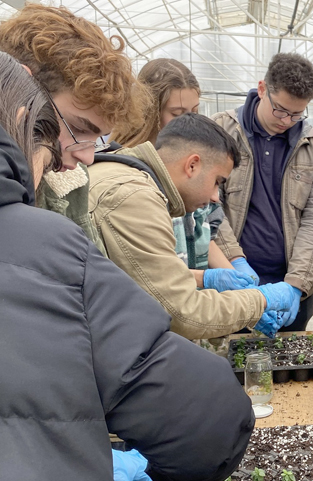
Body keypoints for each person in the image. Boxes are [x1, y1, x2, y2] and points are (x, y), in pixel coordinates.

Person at [0, 39, 254, 481]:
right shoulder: (42, 233)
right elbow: (197, 404)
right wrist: (253, 300)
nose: (81, 155)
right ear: (25, 111)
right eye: (70, 131)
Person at [87, 112, 299, 340]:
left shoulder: (128, 176)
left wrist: (201, 278)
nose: (216, 197)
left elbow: (139, 278)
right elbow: (183, 313)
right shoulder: (134, 198)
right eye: (217, 181)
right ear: (192, 165)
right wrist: (262, 300)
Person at [108, 58, 273, 335]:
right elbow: (156, 287)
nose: (188, 120)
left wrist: (237, 274)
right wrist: (208, 279)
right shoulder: (131, 181)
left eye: (194, 111)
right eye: (177, 113)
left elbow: (203, 228)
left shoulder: (192, 170)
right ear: (147, 111)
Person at [0, 4, 149, 256]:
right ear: (18, 88)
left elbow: (89, 269)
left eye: (97, 139)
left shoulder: (69, 182)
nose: (87, 158)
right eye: (77, 128)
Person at [213, 52, 313, 332]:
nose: (286, 120)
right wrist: (235, 262)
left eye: (296, 114)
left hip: (288, 286)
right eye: (280, 109)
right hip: (233, 282)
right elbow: (209, 207)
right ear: (262, 89)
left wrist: (294, 286)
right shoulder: (221, 131)